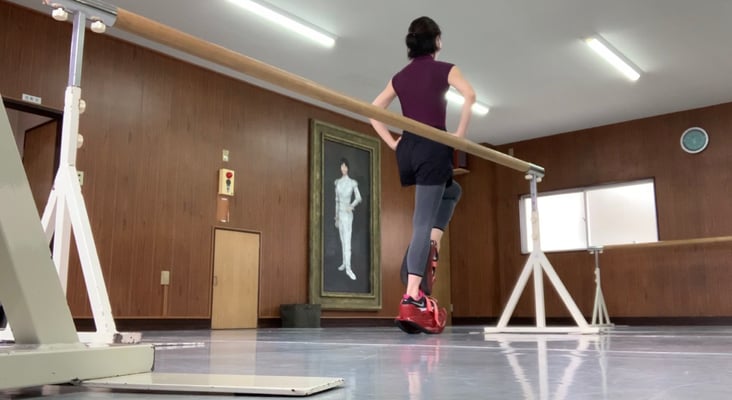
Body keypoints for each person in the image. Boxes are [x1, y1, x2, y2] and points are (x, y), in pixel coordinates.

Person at [369, 16, 475, 334]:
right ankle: (412, 295)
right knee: (421, 221)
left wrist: (393, 143)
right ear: (437, 41)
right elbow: (470, 95)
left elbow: (373, 110)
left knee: (452, 190)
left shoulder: (400, 77)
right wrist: (459, 135)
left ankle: (430, 243)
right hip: (432, 147)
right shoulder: (445, 69)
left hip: (410, 149)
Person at [334, 157, 362, 281]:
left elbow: (358, 197)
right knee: (342, 240)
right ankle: (344, 263)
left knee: (347, 241)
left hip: (347, 215)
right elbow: (336, 200)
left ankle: (349, 269)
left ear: (348, 168)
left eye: (345, 166)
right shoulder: (337, 182)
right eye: (342, 166)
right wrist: (336, 217)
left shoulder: (352, 182)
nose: (343, 168)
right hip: (340, 214)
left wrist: (351, 206)